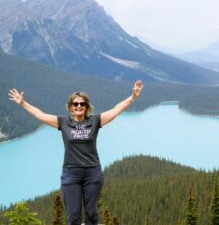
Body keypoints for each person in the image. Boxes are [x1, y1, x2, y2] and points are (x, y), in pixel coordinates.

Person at [8, 80, 143, 225]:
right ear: (71, 107)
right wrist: (23, 103)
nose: (79, 106)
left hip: (92, 173)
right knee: (73, 216)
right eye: (75, 104)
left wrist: (132, 97)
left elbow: (116, 110)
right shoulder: (63, 122)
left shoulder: (95, 121)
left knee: (91, 213)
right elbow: (40, 115)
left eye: (82, 104)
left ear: (86, 107)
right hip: (71, 174)